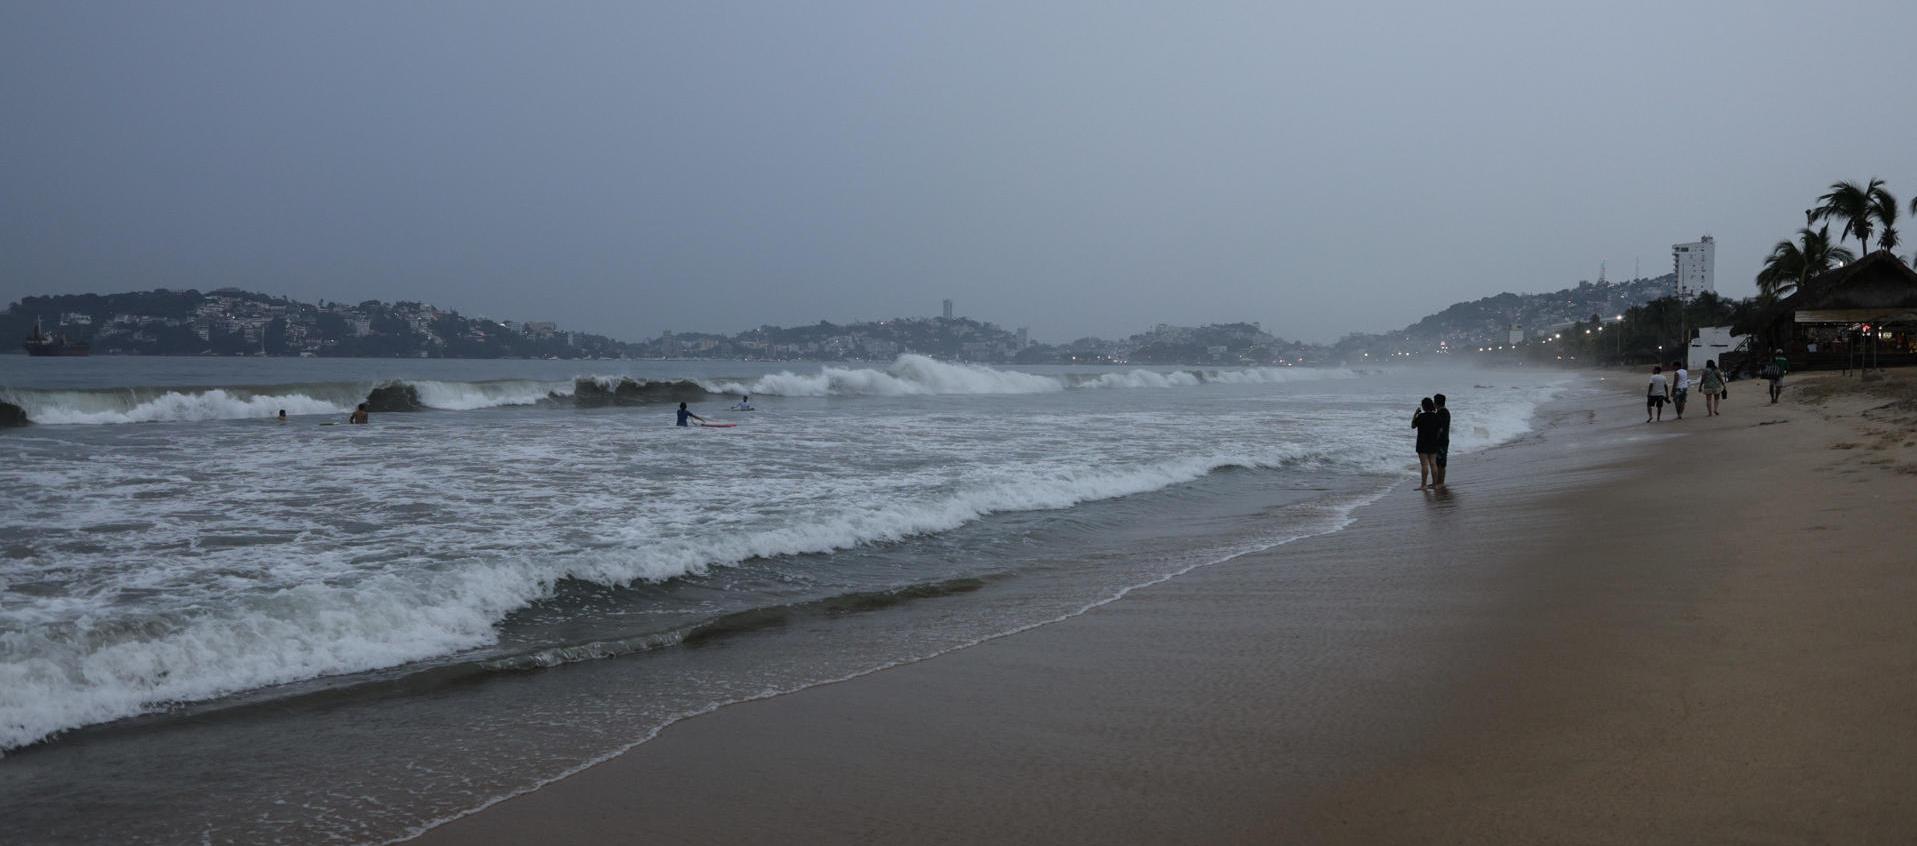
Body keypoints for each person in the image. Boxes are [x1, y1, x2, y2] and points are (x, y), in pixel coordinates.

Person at [1412, 397, 1441, 490]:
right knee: (1433, 463)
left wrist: (1415, 413)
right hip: (1433, 442)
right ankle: (1435, 484)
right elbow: (1440, 430)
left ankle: (1424, 485)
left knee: (1424, 464)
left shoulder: (1421, 416)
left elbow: (1413, 425)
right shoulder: (1436, 416)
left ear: (1424, 406)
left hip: (1422, 442)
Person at [1431, 393, 1451, 488]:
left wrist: (1435, 439)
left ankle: (1440, 483)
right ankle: (1437, 482)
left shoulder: (1442, 412)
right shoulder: (1443, 412)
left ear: (1436, 403)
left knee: (1441, 463)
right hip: (1443, 440)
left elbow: (1440, 428)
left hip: (1441, 441)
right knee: (1439, 462)